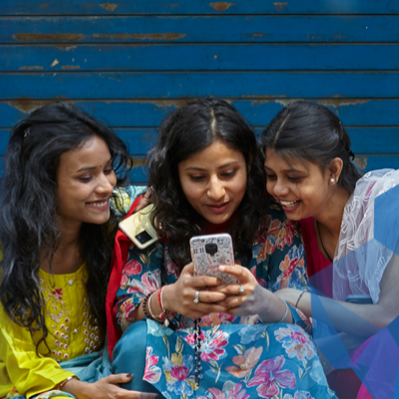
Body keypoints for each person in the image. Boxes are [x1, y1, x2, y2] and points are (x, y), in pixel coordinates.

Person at [106, 98, 337, 398]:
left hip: (258, 364)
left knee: (291, 340)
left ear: (249, 162)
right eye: (197, 177)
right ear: (176, 174)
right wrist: (168, 299)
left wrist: (266, 303)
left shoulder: (275, 217)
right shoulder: (153, 219)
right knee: (138, 343)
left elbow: (306, 323)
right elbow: (124, 317)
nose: (216, 192)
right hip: (177, 362)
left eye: (228, 173)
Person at [0, 103, 156, 399]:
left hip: (103, 369)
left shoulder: (116, 217)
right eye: (86, 178)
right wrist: (83, 390)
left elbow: (156, 199)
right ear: (43, 184)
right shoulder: (7, 250)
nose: (106, 187)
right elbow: (20, 359)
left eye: (108, 170)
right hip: (38, 383)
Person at [261, 100, 399, 398]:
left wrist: (295, 297)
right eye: (271, 176)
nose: (279, 190)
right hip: (347, 367)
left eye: (294, 177)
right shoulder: (297, 227)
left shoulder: (389, 206)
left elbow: (388, 316)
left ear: (333, 170)